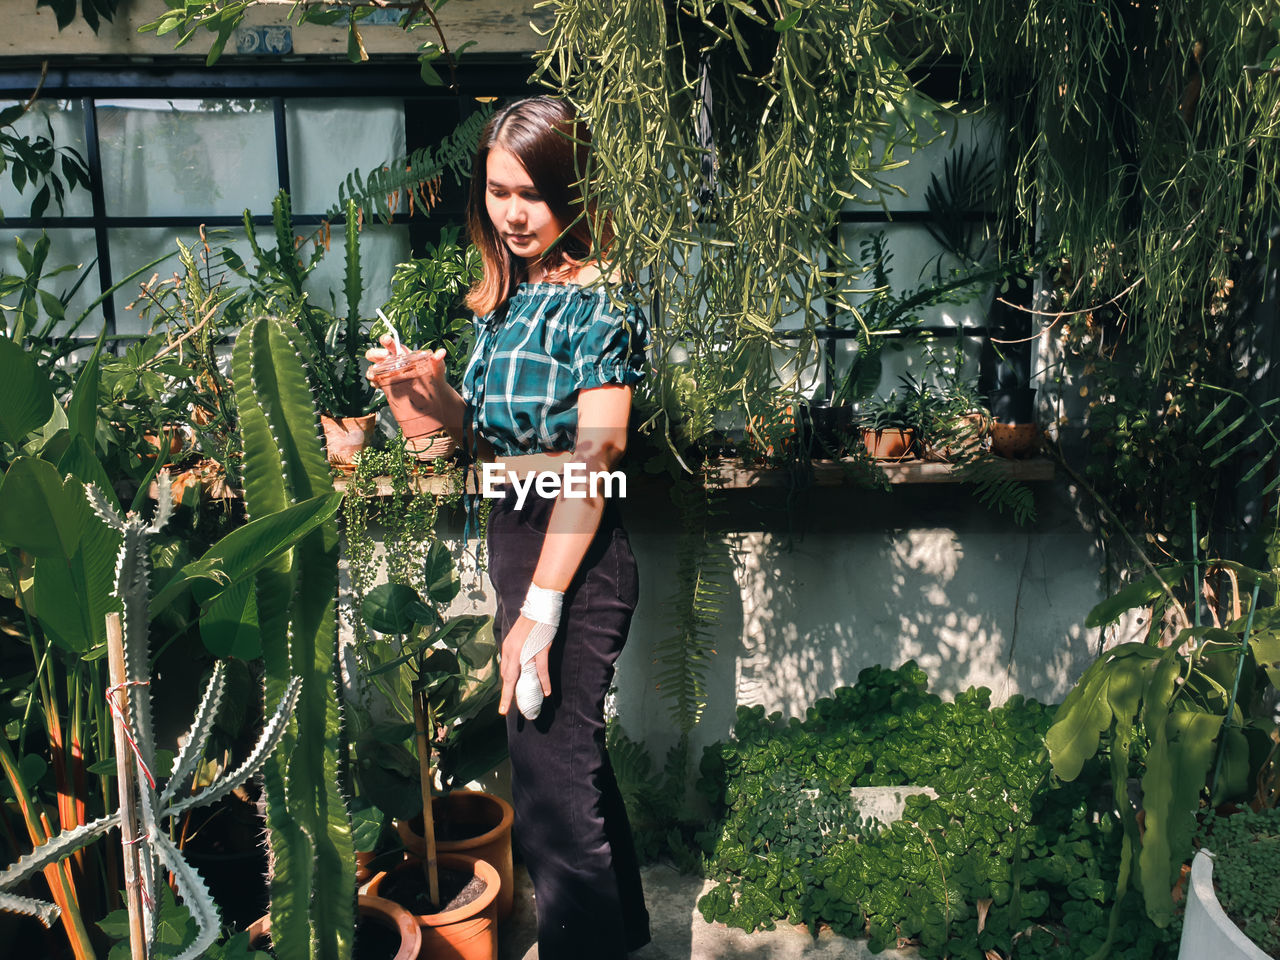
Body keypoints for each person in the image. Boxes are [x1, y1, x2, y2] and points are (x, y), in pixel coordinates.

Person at [366, 95, 652, 959]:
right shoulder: (514, 293)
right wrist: (426, 393)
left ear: (576, 190)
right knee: (569, 758)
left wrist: (544, 607)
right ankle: (625, 930)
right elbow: (487, 440)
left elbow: (593, 462)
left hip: (576, 549)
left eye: (533, 192)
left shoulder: (601, 303)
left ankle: (587, 944)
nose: (513, 213)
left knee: (550, 784)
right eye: (497, 190)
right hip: (516, 532)